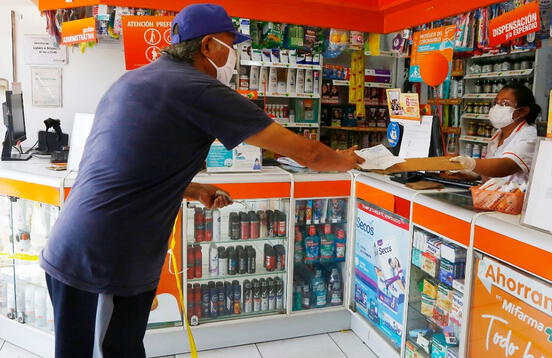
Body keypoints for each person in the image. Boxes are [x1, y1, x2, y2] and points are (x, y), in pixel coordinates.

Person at [40, 4, 363, 358]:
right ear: (208, 46)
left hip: (87, 246)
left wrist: (192, 190)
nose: (235, 55)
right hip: (102, 260)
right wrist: (347, 161)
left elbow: (126, 169)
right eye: (231, 43)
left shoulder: (135, 78)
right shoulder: (199, 88)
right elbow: (309, 154)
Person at [451, 83, 540, 182]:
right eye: (496, 103)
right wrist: (472, 173)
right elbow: (491, 171)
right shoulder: (498, 134)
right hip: (494, 194)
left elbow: (505, 166)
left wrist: (469, 163)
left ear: (523, 111)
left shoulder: (529, 135)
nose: (497, 107)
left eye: (505, 104)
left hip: (514, 195)